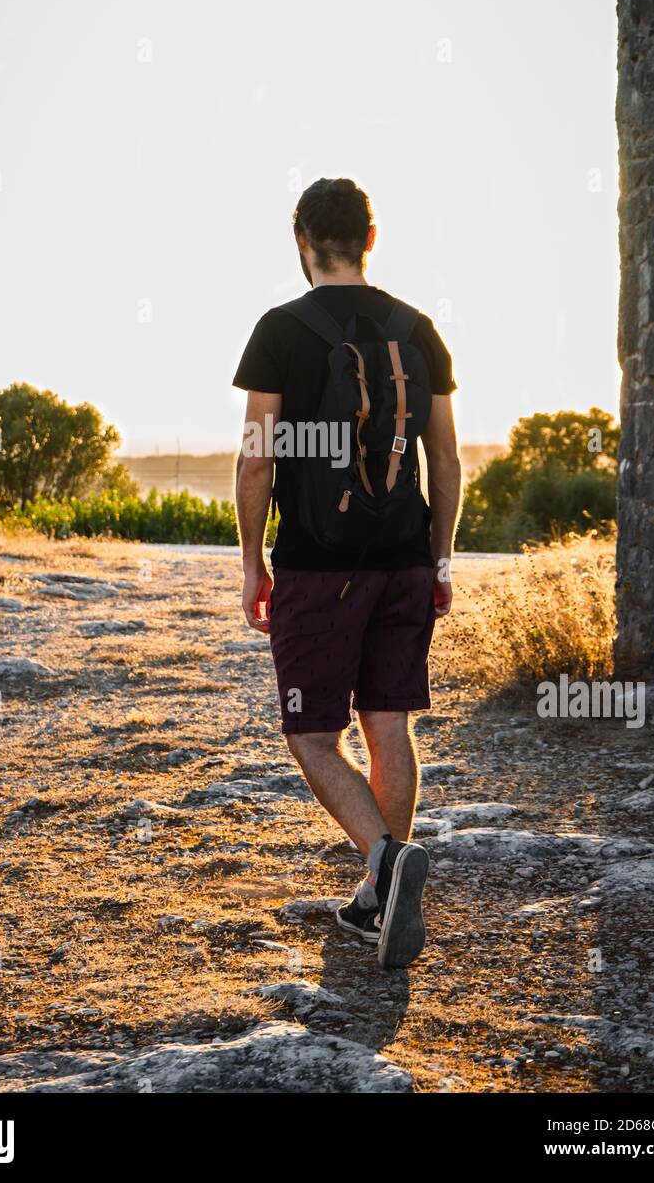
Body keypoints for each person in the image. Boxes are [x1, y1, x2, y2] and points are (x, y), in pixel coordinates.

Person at [233, 176, 462, 970]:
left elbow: (257, 459)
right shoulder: (419, 328)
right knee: (388, 725)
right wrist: (438, 556)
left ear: (303, 241)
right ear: (372, 238)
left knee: (310, 735)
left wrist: (251, 560)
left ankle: (386, 863)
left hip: (319, 568)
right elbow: (447, 458)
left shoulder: (280, 330)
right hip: (404, 558)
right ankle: (379, 902)